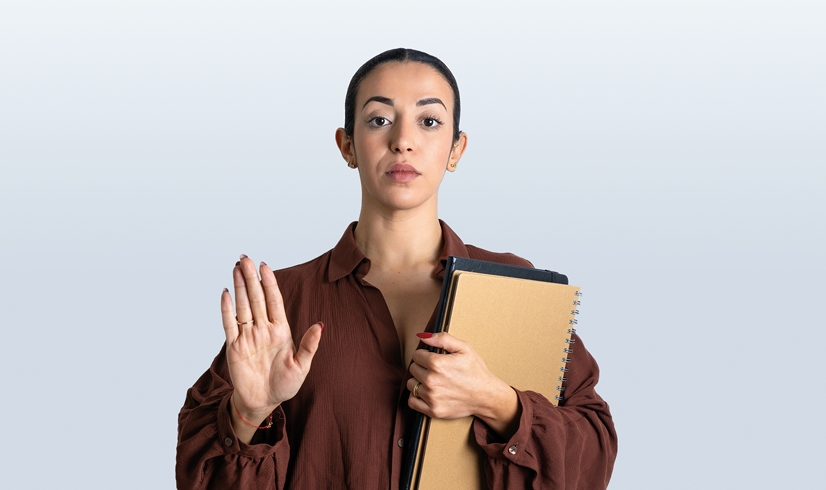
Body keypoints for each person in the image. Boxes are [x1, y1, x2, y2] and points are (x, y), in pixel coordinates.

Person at [176, 48, 616, 489]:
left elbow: (592, 457)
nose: (403, 140)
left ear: (456, 149)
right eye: (379, 119)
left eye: (429, 121)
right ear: (347, 145)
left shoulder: (514, 290)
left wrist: (498, 403)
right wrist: (247, 414)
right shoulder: (283, 303)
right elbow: (202, 477)